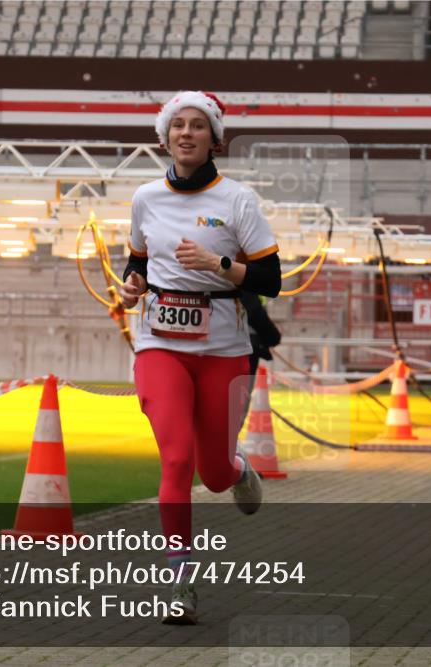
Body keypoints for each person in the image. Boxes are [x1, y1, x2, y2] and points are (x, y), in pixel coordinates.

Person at [118, 91, 281, 624]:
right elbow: (137, 261)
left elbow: (272, 281)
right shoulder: (145, 197)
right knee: (176, 458)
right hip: (159, 344)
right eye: (177, 126)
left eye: (198, 126)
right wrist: (132, 286)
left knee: (210, 472)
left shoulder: (238, 200)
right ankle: (179, 582)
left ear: (216, 138)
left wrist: (221, 265)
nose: (186, 134)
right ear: (164, 138)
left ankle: (236, 469)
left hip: (223, 349)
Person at [237, 291, 282, 433]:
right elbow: (253, 309)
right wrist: (272, 336)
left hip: (242, 346)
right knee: (236, 407)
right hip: (242, 349)